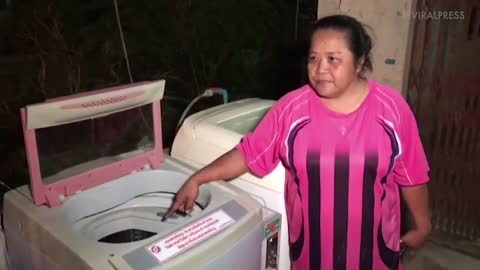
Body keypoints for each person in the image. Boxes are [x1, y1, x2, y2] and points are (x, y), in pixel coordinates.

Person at [163, 14, 431, 270]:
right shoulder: (291, 109)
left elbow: (412, 173)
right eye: (313, 58)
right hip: (312, 256)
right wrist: (198, 178)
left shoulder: (391, 109)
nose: (320, 69)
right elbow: (248, 154)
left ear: (360, 62)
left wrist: (422, 226)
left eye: (333, 59)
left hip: (376, 255)